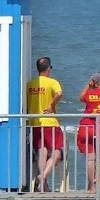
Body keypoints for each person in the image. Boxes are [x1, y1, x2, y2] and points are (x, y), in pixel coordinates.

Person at [26, 56, 64, 192]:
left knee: (42, 152)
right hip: (50, 122)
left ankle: (43, 184)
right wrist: (51, 105)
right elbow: (59, 93)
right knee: (57, 153)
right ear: (48, 68)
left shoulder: (30, 84)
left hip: (34, 122)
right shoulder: (52, 82)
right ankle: (42, 177)